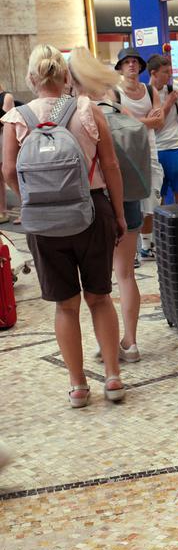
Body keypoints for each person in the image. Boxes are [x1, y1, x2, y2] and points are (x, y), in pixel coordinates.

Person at [1, 45, 127, 407]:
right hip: (92, 212)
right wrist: (118, 214)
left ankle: (77, 386)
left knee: (65, 306)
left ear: (31, 78)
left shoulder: (16, 118)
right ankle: (114, 379)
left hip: (44, 222)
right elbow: (112, 166)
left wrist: (31, 200)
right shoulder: (88, 110)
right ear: (66, 78)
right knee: (100, 298)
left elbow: (9, 171)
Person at [70, 47, 145, 364]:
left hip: (96, 202)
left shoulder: (75, 112)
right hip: (129, 199)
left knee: (99, 283)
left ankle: (108, 342)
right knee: (126, 274)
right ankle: (130, 341)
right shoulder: (117, 107)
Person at [114, 48, 163, 260]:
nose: (132, 65)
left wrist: (137, 120)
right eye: (127, 62)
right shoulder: (115, 92)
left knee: (152, 199)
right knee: (128, 201)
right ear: (121, 67)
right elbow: (122, 121)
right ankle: (130, 250)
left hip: (150, 150)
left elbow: (159, 121)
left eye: (135, 61)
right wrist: (146, 120)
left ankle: (146, 245)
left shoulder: (150, 90)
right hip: (126, 152)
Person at [147, 55, 178, 206]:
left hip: (176, 146)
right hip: (154, 150)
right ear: (153, 73)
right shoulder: (145, 93)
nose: (169, 76)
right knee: (157, 198)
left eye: (170, 72)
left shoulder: (175, 89)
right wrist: (168, 104)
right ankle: (161, 229)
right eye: (165, 72)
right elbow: (155, 124)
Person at [0, 87, 17, 224]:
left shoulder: (6, 96)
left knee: (8, 175)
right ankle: (2, 211)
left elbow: (7, 120)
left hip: (3, 139)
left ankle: (3, 212)